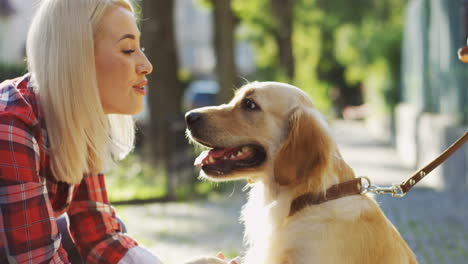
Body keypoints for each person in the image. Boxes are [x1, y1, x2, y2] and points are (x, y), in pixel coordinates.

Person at [0, 0, 162, 263]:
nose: (146, 65)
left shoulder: (78, 117)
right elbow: (37, 259)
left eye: (139, 47)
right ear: (77, 58)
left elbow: (100, 234)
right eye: (128, 49)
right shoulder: (10, 124)